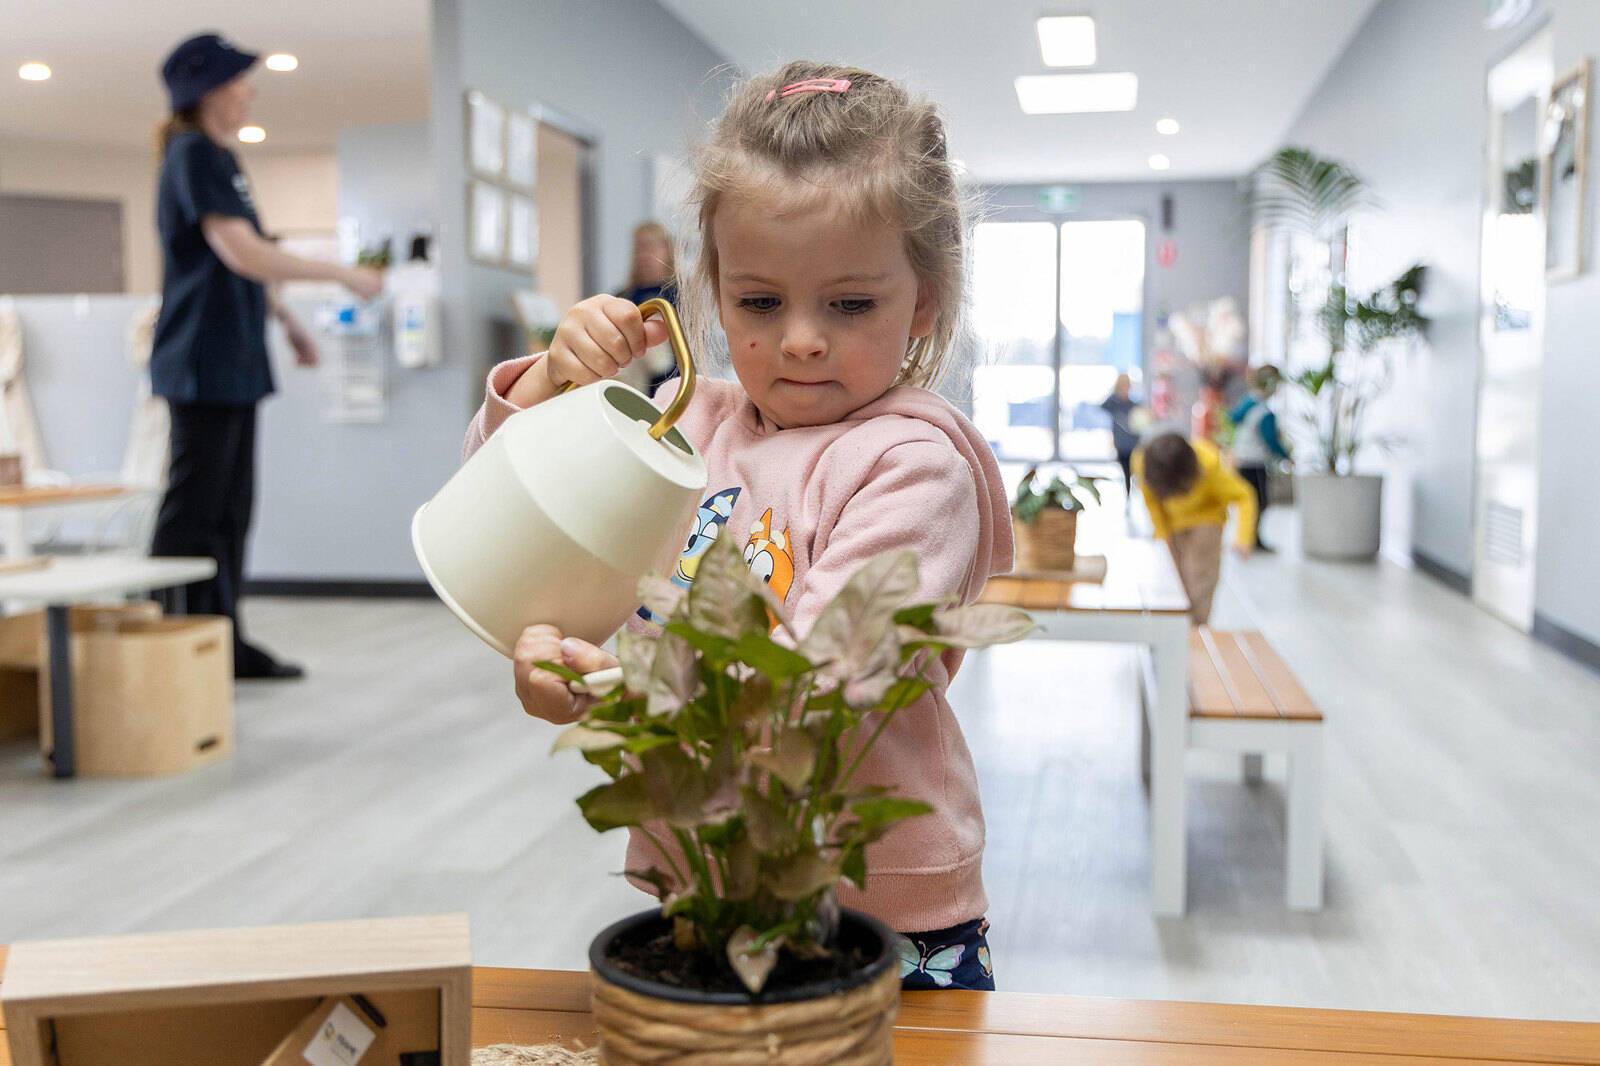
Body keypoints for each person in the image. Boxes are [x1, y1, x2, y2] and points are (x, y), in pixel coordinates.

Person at [462, 63, 1010, 991]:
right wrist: (554, 383)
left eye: (849, 304)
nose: (800, 338)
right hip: (709, 885)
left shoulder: (913, 468)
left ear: (923, 296)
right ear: (711, 291)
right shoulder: (686, 419)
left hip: (883, 908)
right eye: (761, 302)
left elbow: (823, 680)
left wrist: (627, 691)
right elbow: (505, 510)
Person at [150, 33, 383, 679]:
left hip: (233, 357)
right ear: (207, 91)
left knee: (229, 509)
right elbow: (240, 251)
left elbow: (240, 263)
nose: (249, 91)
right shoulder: (193, 152)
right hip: (202, 359)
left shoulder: (219, 158)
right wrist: (338, 274)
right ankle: (168, 642)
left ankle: (222, 639)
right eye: (238, 81)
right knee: (195, 510)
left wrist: (284, 321)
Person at [1134, 432, 1256, 625]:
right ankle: (1178, 631)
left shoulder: (1209, 464)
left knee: (1199, 584)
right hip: (1172, 525)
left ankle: (1195, 636)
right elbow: (1152, 500)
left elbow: (1244, 496)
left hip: (1206, 521)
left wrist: (1242, 538)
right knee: (1175, 584)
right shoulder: (1146, 464)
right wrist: (1162, 535)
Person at [1228, 365, 1290, 551]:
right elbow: (1271, 439)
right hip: (1255, 462)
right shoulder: (1263, 411)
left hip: (1242, 459)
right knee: (1259, 501)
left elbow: (1233, 418)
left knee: (1248, 501)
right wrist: (1286, 456)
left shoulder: (1247, 404)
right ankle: (1251, 539)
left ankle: (1247, 538)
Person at [617, 220, 680, 394]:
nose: (645, 255)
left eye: (651, 247)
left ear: (667, 250)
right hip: (633, 387)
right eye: (640, 248)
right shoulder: (622, 297)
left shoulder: (681, 295)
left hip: (674, 384)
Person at [1099, 373, 1141, 501]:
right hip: (1121, 444)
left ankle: (1132, 494)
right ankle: (1128, 495)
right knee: (1126, 470)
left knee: (1134, 469)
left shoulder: (1133, 405)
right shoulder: (1113, 403)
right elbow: (1103, 406)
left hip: (1134, 443)